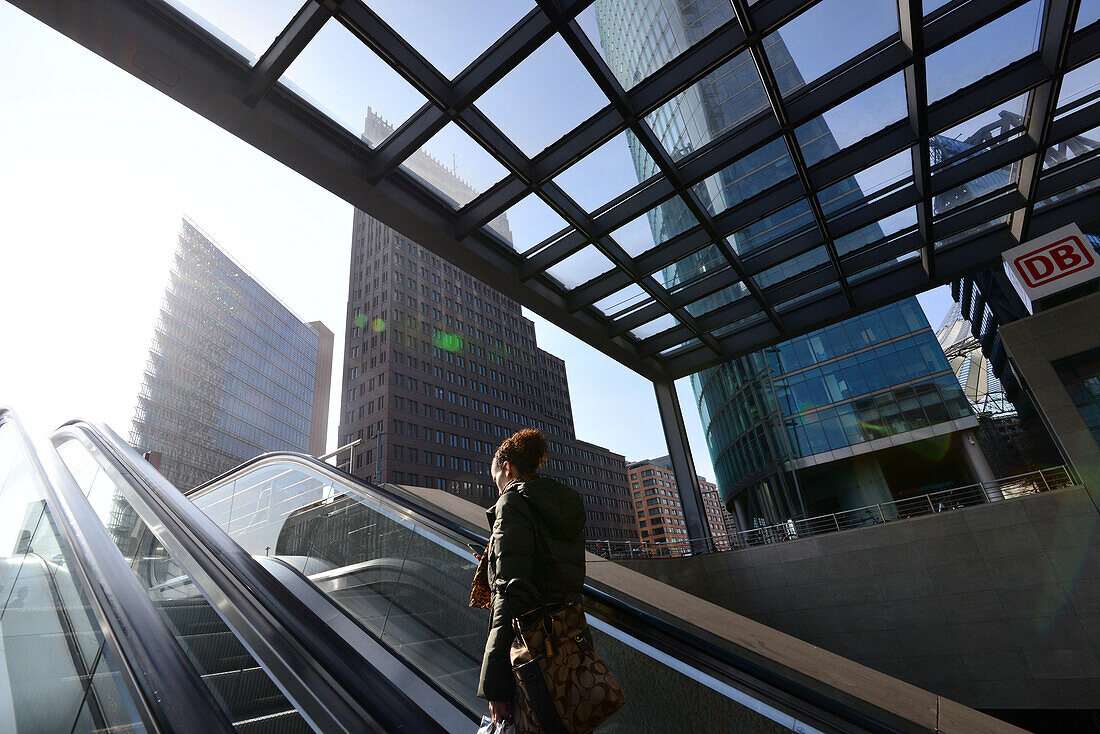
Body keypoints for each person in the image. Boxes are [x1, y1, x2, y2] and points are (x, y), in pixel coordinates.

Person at [477, 428, 586, 727]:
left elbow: (510, 595)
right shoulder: (560, 503)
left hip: (532, 655)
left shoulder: (512, 504)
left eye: (496, 479)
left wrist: (495, 684)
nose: (497, 488)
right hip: (570, 644)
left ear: (507, 468)